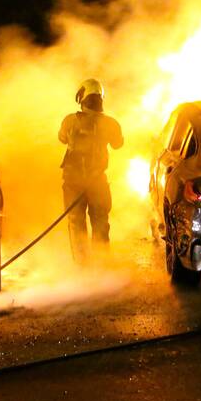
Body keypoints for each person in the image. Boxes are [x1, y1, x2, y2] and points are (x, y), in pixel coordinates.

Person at [58, 78, 124, 264]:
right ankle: (101, 266)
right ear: (101, 99)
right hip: (97, 182)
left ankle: (82, 268)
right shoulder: (110, 123)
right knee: (100, 223)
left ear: (82, 98)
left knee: (76, 224)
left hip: (73, 183)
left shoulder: (69, 120)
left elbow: (62, 138)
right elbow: (118, 144)